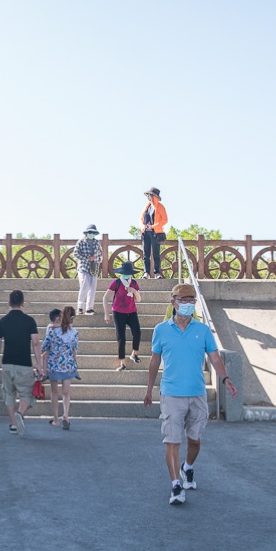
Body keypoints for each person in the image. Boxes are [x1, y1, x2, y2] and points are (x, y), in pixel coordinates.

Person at [144, 283, 238, 505]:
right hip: (171, 394)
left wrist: (225, 379)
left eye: (191, 300)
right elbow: (154, 360)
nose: (187, 304)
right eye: (182, 300)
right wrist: (149, 389)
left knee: (194, 440)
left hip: (196, 393)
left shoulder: (203, 330)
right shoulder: (161, 330)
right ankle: (176, 485)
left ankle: (188, 467)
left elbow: (215, 357)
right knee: (172, 441)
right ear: (173, 302)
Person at [0, 289, 43, 436]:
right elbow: (36, 343)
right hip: (24, 364)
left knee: (9, 394)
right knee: (27, 395)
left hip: (7, 363)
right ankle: (20, 413)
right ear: (23, 303)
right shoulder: (30, 321)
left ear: (8, 303)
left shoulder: (2, 321)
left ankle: (14, 425)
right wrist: (39, 364)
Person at [40, 306, 78, 430]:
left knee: (54, 392)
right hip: (68, 364)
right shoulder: (74, 333)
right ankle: (66, 416)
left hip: (53, 364)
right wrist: (75, 365)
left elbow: (44, 347)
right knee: (66, 393)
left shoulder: (51, 331)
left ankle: (56, 419)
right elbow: (74, 351)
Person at [102, 261, 142, 372]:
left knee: (137, 332)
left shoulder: (134, 283)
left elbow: (138, 299)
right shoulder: (116, 282)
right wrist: (107, 313)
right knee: (121, 338)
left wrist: (133, 291)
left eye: (129, 273)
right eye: (126, 273)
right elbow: (106, 298)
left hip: (132, 311)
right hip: (118, 312)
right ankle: (122, 363)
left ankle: (134, 353)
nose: (127, 275)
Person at [73, 224, 103, 314]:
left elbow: (100, 255)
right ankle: (80, 307)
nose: (91, 234)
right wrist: (87, 258)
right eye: (90, 232)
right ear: (86, 233)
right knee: (84, 285)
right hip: (83, 267)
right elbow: (75, 254)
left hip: (94, 268)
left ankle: (89, 308)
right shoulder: (81, 242)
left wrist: (95, 259)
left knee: (92, 288)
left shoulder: (97, 243)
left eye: (93, 232)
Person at [140, 187, 168, 279]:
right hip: (145, 233)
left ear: (154, 196)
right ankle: (146, 272)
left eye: (150, 195)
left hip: (156, 233)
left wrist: (153, 226)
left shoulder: (160, 207)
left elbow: (165, 220)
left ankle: (157, 272)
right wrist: (143, 226)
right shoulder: (146, 206)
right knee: (145, 254)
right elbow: (141, 219)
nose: (148, 197)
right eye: (148, 195)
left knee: (156, 254)